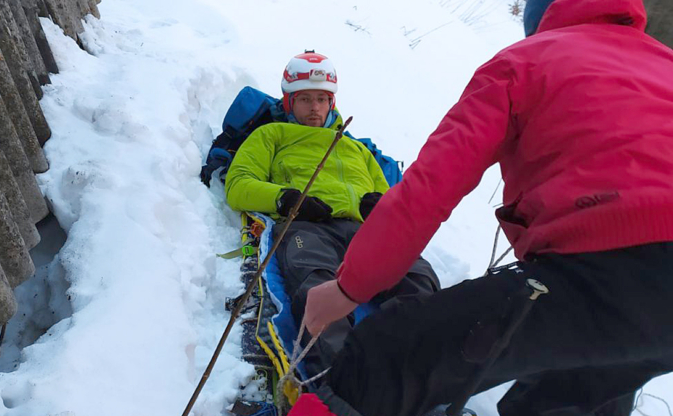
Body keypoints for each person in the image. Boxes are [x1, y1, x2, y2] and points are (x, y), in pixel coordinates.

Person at [288, 0, 673, 415]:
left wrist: (350, 288)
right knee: (571, 391)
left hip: (599, 271)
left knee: (380, 361)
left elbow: (430, 188)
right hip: (637, 300)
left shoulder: (524, 62)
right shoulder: (665, 63)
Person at [224, 51, 440, 378]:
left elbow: (391, 198)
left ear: (332, 102)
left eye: (322, 99)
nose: (314, 108)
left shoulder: (356, 148)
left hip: (365, 230)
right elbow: (238, 185)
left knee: (419, 280)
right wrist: (285, 200)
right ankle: (344, 382)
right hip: (307, 226)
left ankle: (415, 379)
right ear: (288, 102)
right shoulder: (270, 135)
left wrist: (378, 204)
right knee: (317, 287)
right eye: (305, 99)